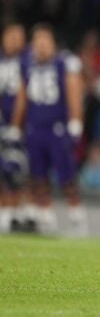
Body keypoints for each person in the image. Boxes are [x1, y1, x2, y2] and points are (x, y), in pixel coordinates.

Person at [10, 24, 86, 234]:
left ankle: (76, 215)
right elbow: (22, 96)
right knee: (38, 176)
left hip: (57, 127)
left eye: (46, 41)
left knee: (66, 175)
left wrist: (75, 120)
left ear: (53, 43)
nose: (42, 46)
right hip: (35, 127)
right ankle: (46, 216)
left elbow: (74, 91)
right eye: (38, 41)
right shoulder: (26, 64)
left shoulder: (63, 63)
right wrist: (16, 125)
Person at [0, 24, 28, 232]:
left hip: (23, 125)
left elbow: (24, 94)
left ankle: (20, 211)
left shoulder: (27, 61)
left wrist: (16, 124)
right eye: (11, 36)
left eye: (19, 37)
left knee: (18, 168)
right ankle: (5, 211)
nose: (15, 41)